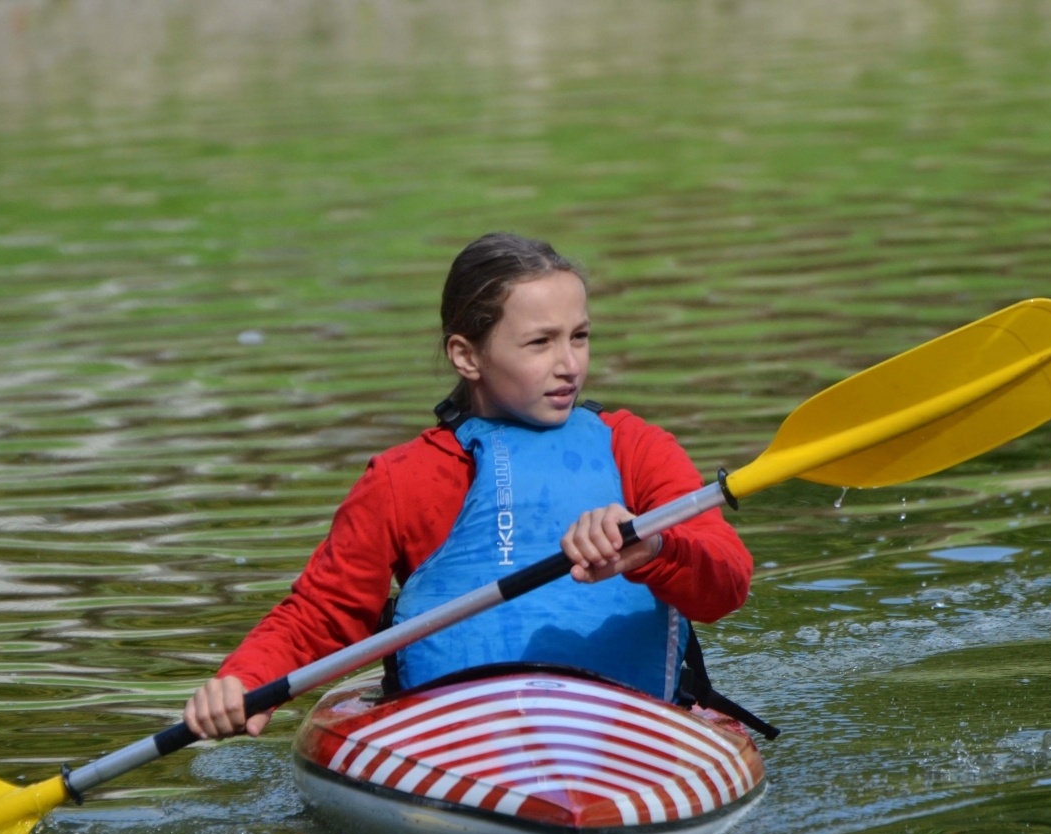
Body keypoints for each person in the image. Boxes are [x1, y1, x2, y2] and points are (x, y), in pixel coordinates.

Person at [184, 232, 752, 740]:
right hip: (459, 738)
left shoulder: (639, 449)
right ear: (466, 356)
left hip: (627, 726)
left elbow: (725, 586)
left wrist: (653, 548)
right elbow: (325, 614)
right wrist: (243, 681)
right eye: (540, 343)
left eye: (579, 337)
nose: (569, 364)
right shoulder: (401, 479)